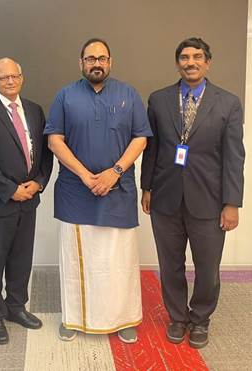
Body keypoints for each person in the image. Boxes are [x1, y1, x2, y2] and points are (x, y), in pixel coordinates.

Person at [45, 38, 152, 343]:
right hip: (76, 192)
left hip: (118, 193)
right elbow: (55, 140)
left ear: (110, 62)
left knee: (118, 262)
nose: (96, 63)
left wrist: (114, 172)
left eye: (102, 58)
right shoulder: (65, 95)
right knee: (76, 259)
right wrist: (86, 176)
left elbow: (140, 138)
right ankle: (74, 319)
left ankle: (123, 319)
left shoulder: (128, 94)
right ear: (81, 63)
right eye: (90, 58)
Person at [141, 37, 245, 349]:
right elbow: (152, 149)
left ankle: (200, 319)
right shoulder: (158, 100)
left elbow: (234, 157)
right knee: (169, 263)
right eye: (185, 57)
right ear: (178, 63)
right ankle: (178, 317)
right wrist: (147, 187)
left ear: (208, 62)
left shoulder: (228, 103)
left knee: (207, 267)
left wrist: (232, 203)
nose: (191, 62)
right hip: (165, 197)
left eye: (198, 57)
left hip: (210, 201)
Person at [0, 58, 52, 345]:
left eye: (15, 75)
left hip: (29, 200)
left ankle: (16, 306)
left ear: (22, 77)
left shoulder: (35, 110)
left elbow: (44, 154)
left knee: (21, 259)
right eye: (3, 78)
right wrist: (10, 189)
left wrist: (38, 183)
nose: (10, 81)